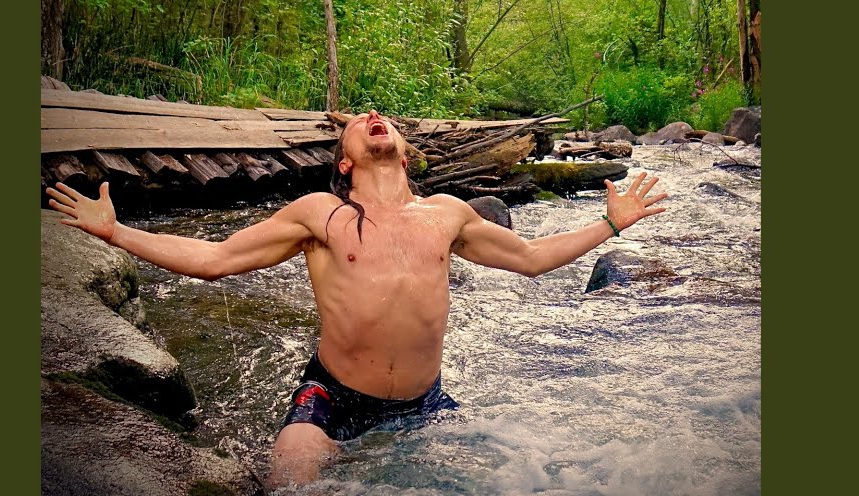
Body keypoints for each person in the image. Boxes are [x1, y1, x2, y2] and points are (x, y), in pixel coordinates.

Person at [46, 110, 668, 490]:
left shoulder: (446, 214)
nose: (374, 117)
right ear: (344, 161)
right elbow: (214, 259)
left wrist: (609, 224)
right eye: (359, 121)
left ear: (404, 149)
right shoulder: (321, 214)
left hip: (425, 403)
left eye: (385, 119)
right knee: (289, 481)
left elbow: (530, 257)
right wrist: (117, 233)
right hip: (332, 398)